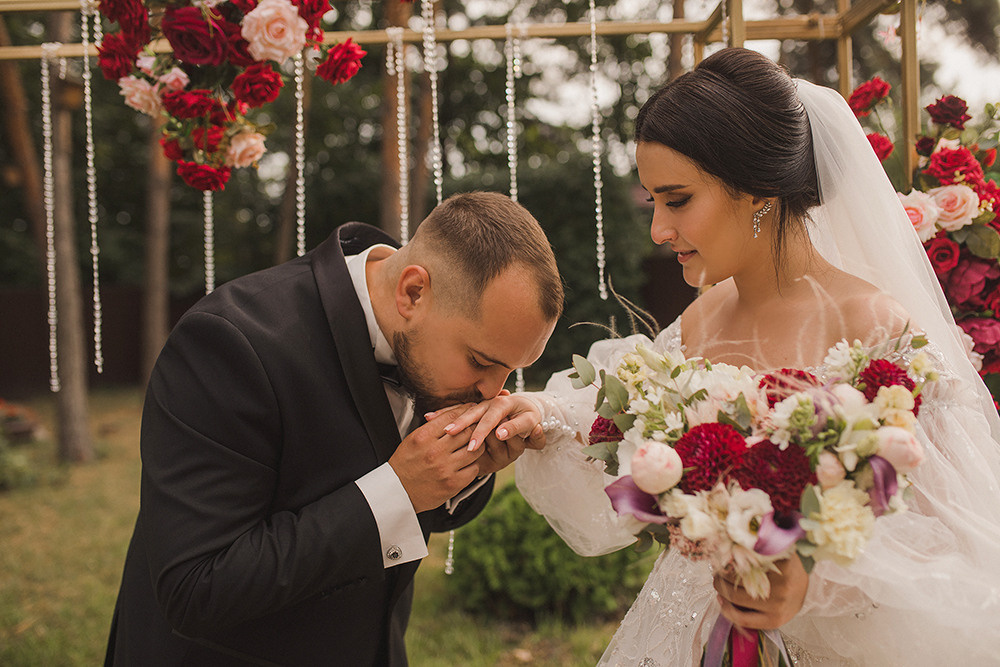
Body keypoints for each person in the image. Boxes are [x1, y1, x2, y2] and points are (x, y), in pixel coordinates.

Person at [442, 49, 1000, 665]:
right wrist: (542, 416)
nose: (657, 229)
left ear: (757, 191)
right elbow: (614, 417)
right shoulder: (701, 320)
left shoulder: (877, 330)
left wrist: (813, 584)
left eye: (677, 200)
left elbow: (951, 540)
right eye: (653, 201)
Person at [103, 191, 562, 666]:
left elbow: (417, 521)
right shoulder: (230, 340)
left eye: (512, 371)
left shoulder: (437, 336)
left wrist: (465, 466)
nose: (493, 392)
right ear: (412, 293)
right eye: (481, 362)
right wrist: (399, 491)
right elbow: (195, 588)